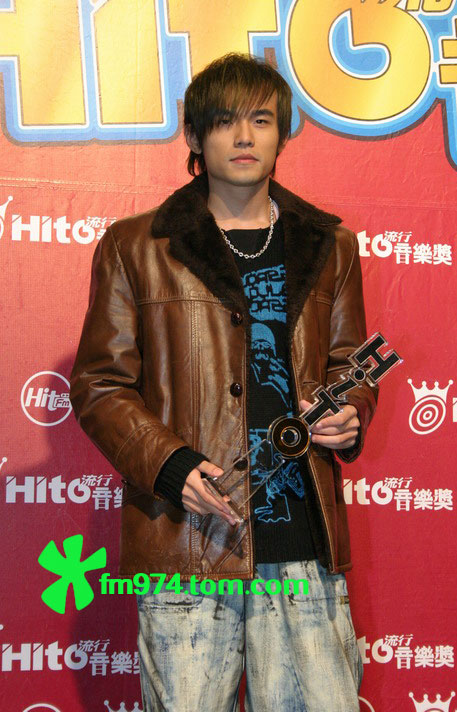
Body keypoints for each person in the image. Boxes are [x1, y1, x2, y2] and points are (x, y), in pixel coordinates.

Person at [69, 52, 378, 712]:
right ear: (194, 135)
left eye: (260, 120)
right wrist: (170, 465)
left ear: (282, 133)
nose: (244, 136)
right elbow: (99, 383)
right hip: (189, 538)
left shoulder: (330, 245)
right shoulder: (136, 246)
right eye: (224, 121)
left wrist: (349, 410)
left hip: (301, 541)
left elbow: (349, 366)